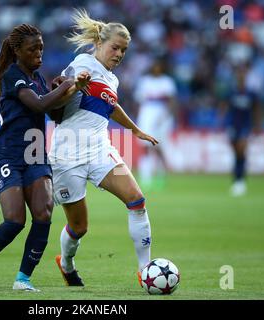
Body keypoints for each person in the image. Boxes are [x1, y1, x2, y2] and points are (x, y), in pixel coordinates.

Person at [0, 24, 90, 291]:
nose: (39, 53)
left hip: (36, 157)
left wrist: (70, 91)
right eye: (33, 49)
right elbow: (40, 105)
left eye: (41, 48)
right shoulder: (12, 76)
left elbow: (53, 114)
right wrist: (67, 84)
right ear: (18, 51)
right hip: (9, 156)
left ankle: (23, 279)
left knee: (43, 214)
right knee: (15, 220)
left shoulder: (38, 79)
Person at [48, 9, 158, 287]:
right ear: (99, 44)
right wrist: (74, 86)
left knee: (137, 199)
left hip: (99, 151)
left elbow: (111, 105)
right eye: (115, 48)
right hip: (66, 155)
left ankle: (145, 270)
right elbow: (55, 106)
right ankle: (67, 263)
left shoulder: (112, 79)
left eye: (124, 50)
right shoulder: (81, 63)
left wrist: (135, 129)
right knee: (79, 227)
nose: (119, 54)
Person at [134, 59, 177, 191]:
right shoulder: (145, 81)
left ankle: (160, 177)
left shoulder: (167, 82)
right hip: (147, 116)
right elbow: (139, 100)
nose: (156, 69)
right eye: (155, 66)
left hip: (162, 116)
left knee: (159, 147)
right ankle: (146, 178)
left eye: (159, 66)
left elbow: (172, 101)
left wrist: (167, 116)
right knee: (145, 147)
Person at [222, 65, 261, 196]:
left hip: (245, 125)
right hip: (233, 125)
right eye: (239, 75)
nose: (241, 77)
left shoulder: (251, 93)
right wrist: (222, 121)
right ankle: (236, 180)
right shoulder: (232, 92)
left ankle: (240, 181)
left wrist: (257, 125)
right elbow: (225, 107)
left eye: (243, 75)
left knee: (241, 150)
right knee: (236, 153)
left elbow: (256, 110)